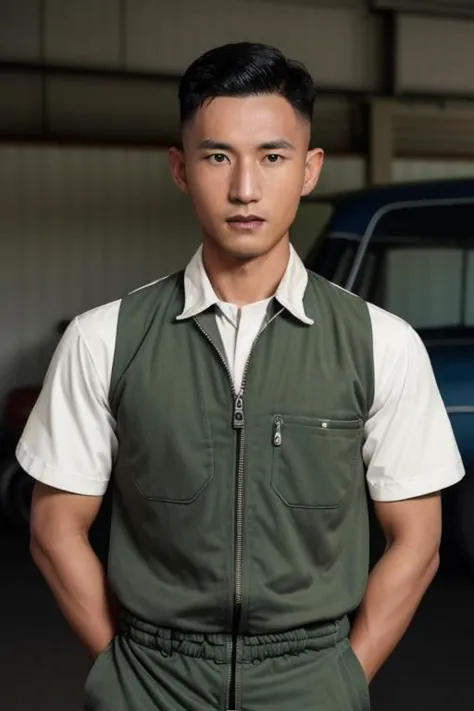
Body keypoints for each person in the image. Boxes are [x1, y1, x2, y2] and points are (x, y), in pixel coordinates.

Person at [18, 42, 464, 711]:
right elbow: (55, 527)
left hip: (309, 677)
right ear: (180, 168)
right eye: (218, 156)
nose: (245, 188)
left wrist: (344, 675)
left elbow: (419, 540)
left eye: (272, 156)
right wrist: (120, 672)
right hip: (151, 678)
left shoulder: (383, 345)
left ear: (310, 169)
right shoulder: (103, 339)